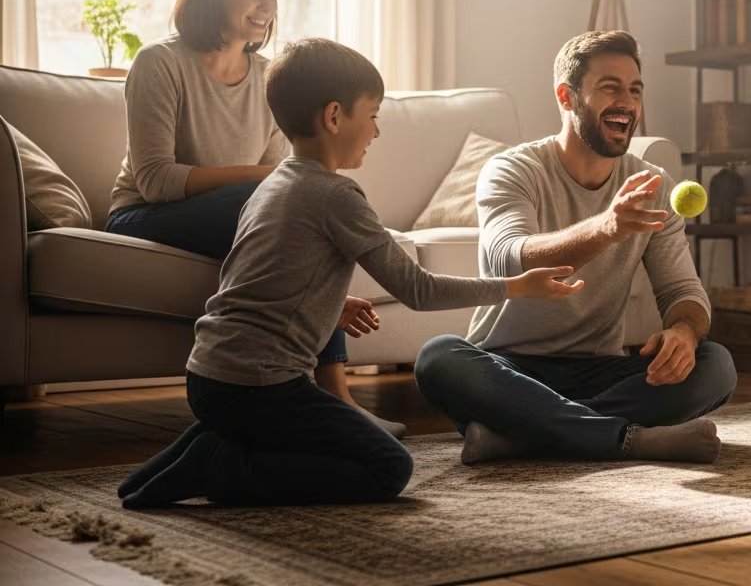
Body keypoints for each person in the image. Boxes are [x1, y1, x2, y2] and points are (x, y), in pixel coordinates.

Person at [117, 39, 583, 509]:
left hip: (210, 376)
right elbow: (418, 289)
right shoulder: (336, 195)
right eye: (373, 114)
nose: (376, 131)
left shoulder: (270, 183)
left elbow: (253, 278)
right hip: (259, 387)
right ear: (335, 116)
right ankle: (220, 464)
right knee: (388, 467)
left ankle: (204, 448)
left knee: (294, 435)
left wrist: (328, 305)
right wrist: (515, 286)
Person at [104, 0, 399, 435]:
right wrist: (267, 179)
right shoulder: (159, 63)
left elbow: (280, 193)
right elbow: (155, 180)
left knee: (308, 205)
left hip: (234, 213)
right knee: (296, 198)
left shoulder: (271, 77)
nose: (266, 7)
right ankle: (334, 395)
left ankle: (328, 394)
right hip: (144, 215)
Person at [415, 30, 737, 465]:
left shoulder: (653, 183)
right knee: (439, 358)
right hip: (510, 368)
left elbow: (684, 292)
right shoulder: (513, 169)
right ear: (567, 97)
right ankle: (626, 438)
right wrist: (606, 228)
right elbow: (509, 256)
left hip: (598, 370)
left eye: (635, 90)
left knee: (715, 364)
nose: (627, 102)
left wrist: (682, 331)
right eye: (610, 88)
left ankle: (526, 437)